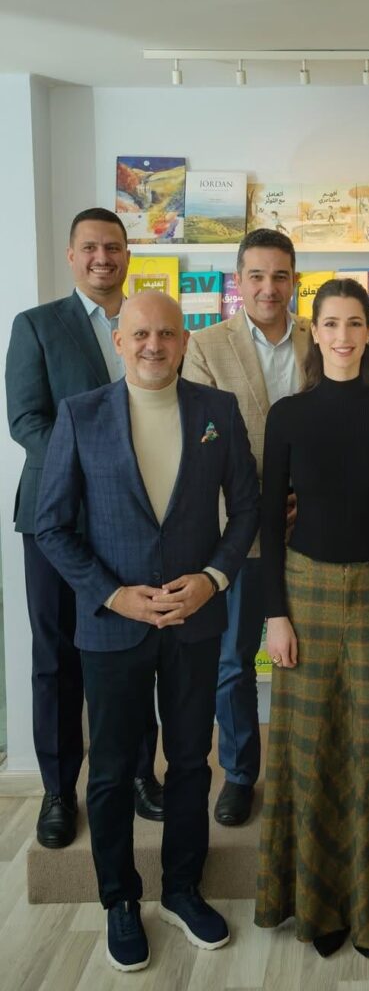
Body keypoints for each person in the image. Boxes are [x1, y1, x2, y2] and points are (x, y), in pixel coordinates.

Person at [34, 291, 260, 972]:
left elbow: (247, 509)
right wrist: (112, 595)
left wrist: (213, 579)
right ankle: (120, 899)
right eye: (140, 334)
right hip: (114, 627)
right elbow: (52, 525)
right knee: (109, 771)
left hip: (195, 621)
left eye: (166, 333)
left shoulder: (218, 411)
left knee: (191, 763)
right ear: (119, 342)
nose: (153, 345)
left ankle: (183, 889)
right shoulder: (80, 415)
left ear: (185, 341)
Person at [255, 277, 369, 958]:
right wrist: (274, 614)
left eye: (355, 322)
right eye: (331, 323)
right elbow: (269, 522)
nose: (343, 335)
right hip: (304, 591)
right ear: (315, 331)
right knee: (308, 746)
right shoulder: (287, 416)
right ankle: (317, 906)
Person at [5, 207, 163, 849]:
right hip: (55, 518)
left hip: (134, 522)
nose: (103, 257)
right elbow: (26, 421)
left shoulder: (148, 323)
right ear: (72, 256)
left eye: (114, 247)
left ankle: (139, 775)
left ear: (128, 255)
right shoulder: (37, 326)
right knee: (57, 657)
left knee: (135, 650)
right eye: (91, 247)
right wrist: (93, 471)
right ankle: (57, 790)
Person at [182, 228, 311, 827]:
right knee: (233, 660)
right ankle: (238, 774)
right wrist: (263, 502)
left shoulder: (319, 339)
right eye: (256, 275)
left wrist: (306, 496)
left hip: (312, 529)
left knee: (308, 656)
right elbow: (206, 441)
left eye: (280, 275)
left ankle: (305, 768)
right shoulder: (206, 345)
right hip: (239, 532)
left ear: (294, 281)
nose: (268, 287)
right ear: (238, 281)